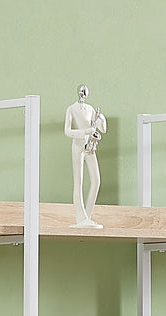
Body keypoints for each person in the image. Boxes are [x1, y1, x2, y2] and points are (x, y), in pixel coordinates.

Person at [64, 84, 106, 228]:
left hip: (90, 147)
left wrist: (102, 120)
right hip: (78, 146)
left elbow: (102, 129)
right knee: (79, 182)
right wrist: (84, 132)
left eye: (85, 92)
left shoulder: (90, 109)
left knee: (96, 180)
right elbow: (67, 131)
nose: (83, 94)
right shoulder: (71, 109)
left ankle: (87, 216)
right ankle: (80, 217)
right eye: (82, 92)